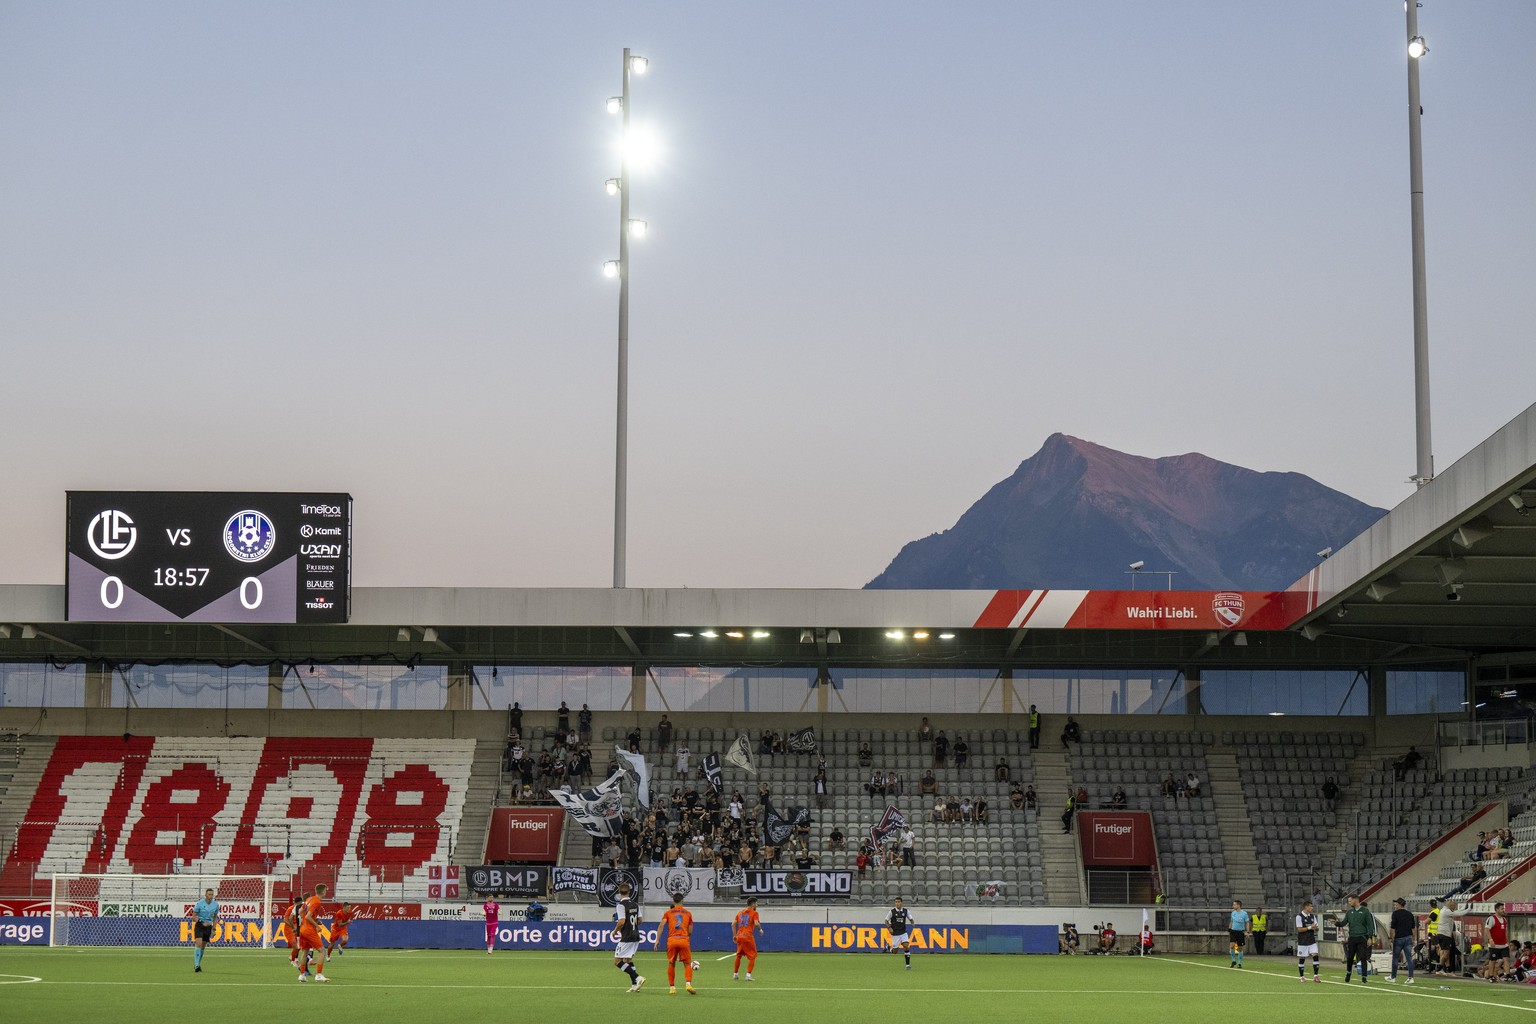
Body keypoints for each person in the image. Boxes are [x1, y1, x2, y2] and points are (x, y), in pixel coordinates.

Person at [655, 893, 697, 995]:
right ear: (683, 901)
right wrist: (685, 937)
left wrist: (657, 940)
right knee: (687, 963)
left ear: (673, 901)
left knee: (671, 963)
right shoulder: (688, 913)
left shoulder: (668, 913)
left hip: (672, 940)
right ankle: (688, 984)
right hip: (683, 940)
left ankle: (672, 988)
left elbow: (661, 926)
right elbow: (690, 931)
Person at [611, 881, 646, 992]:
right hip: (635, 935)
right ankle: (635, 985)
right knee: (628, 960)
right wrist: (632, 925)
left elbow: (621, 921)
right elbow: (640, 920)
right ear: (629, 892)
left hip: (626, 936)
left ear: (619, 893)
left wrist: (615, 931)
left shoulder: (621, 905)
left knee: (617, 961)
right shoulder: (635, 905)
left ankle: (637, 977)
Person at [297, 882, 330, 983]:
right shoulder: (317, 902)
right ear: (323, 892)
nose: (326, 892)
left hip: (303, 929)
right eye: (325, 891)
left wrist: (305, 921)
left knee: (305, 951)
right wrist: (316, 925)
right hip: (309, 930)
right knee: (322, 951)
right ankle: (318, 975)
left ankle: (302, 975)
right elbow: (308, 916)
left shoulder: (309, 899)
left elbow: (300, 912)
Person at [1341, 893, 1375, 983]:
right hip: (1352, 937)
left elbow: (1370, 925)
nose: (1349, 903)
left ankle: (1364, 976)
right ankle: (1348, 973)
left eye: (1350, 901)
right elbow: (1343, 923)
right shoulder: (1349, 912)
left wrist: (1370, 937)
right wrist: (1336, 923)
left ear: (1355, 900)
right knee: (1350, 957)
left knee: (1363, 957)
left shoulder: (1365, 911)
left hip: (1362, 937)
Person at [187, 886, 219, 973]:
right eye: (209, 894)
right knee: (199, 943)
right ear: (205, 895)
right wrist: (201, 922)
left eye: (212, 894)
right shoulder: (200, 904)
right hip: (200, 925)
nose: (211, 896)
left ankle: (197, 964)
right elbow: (194, 916)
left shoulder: (215, 905)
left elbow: (215, 917)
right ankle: (197, 965)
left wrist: (214, 929)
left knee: (203, 946)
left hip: (208, 927)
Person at [733, 896, 763, 981]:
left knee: (738, 955)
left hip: (739, 936)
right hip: (748, 937)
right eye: (756, 903)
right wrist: (760, 929)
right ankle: (748, 975)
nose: (757, 905)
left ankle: (735, 974)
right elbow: (756, 923)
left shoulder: (740, 912)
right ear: (753, 904)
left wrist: (734, 935)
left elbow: (733, 924)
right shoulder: (754, 913)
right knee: (753, 956)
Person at [1386, 897, 1416, 983]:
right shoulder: (1410, 914)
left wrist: (1391, 938)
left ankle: (1393, 977)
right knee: (1409, 958)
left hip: (1399, 938)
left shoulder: (1395, 914)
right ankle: (1410, 977)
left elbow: (1392, 927)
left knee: (1395, 958)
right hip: (1408, 937)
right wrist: (1413, 938)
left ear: (1399, 904)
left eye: (1396, 904)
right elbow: (1413, 928)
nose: (1395, 906)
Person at [1295, 899, 1322, 982]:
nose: (1312, 908)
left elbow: (1317, 928)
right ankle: (1301, 977)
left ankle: (1316, 976)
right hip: (1303, 941)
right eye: (1310, 906)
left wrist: (1316, 928)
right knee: (1302, 958)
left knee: (1315, 955)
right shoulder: (1299, 917)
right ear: (1306, 907)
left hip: (1311, 940)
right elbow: (1300, 929)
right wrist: (1310, 927)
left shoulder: (1313, 917)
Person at [886, 897, 915, 970]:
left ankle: (907, 965)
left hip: (903, 932)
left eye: (898, 902)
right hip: (895, 933)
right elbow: (886, 920)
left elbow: (910, 918)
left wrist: (912, 922)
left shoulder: (906, 911)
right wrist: (889, 928)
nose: (897, 903)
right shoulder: (892, 912)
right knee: (895, 952)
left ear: (901, 903)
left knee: (906, 946)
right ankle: (889, 948)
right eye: (896, 902)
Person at [1487, 902, 1512, 966]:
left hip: (1504, 945)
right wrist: (1491, 940)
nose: (1503, 910)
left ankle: (1507, 972)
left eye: (1504, 908)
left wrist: (1508, 942)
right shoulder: (1491, 918)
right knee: (1493, 960)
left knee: (1506, 959)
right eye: (1502, 909)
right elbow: (1487, 929)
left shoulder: (1504, 919)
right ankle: (1491, 973)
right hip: (1494, 945)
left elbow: (1505, 932)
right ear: (1497, 909)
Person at [1227, 899, 1250, 968]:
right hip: (1233, 931)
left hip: (1240, 932)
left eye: (1234, 904)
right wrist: (1229, 929)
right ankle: (1233, 960)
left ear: (1238, 905)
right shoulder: (1233, 913)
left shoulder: (1244, 914)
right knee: (1232, 946)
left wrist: (1248, 932)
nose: (1233, 906)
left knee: (1240, 948)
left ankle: (1239, 963)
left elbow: (1247, 923)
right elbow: (1231, 921)